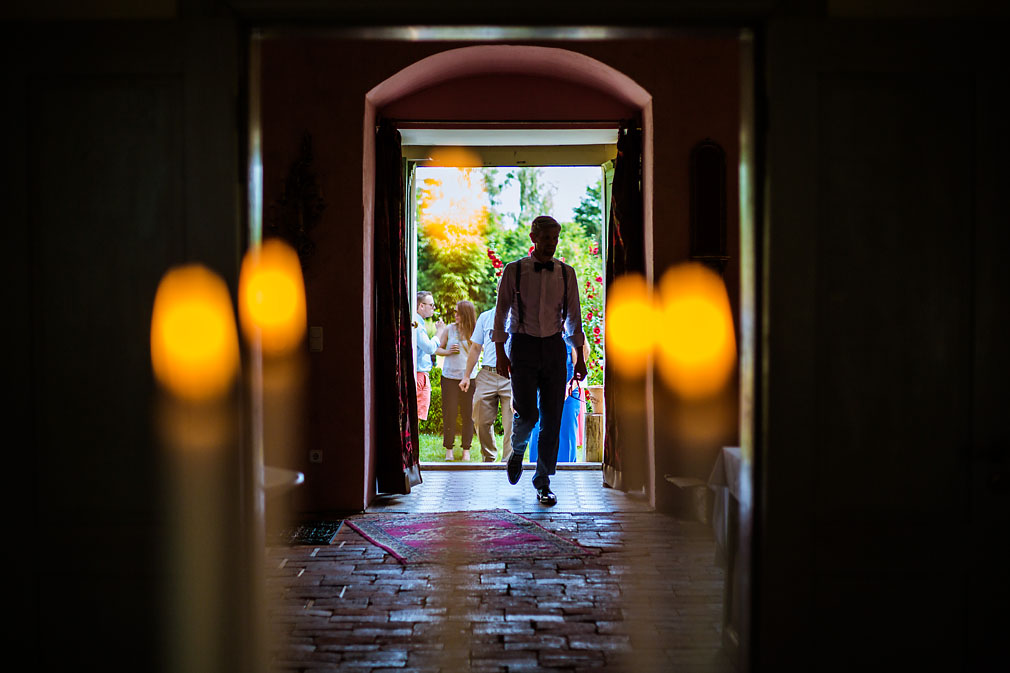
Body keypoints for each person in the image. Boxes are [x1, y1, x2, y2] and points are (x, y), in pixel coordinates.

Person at [493, 215, 587, 506]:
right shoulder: (514, 270)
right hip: (523, 346)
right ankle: (518, 450)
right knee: (528, 413)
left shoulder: (566, 273)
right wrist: (500, 352)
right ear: (533, 238)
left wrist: (580, 358)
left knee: (552, 416)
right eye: (546, 238)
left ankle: (543, 481)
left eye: (555, 238)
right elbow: (501, 313)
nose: (551, 244)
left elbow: (574, 318)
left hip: (555, 348)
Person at [460, 305, 513, 463]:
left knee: (511, 423)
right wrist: (466, 376)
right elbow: (476, 347)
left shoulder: (521, 317)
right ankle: (489, 458)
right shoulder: (485, 317)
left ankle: (508, 462)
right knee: (480, 419)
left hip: (511, 376)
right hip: (487, 374)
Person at [528, 341, 591, 463]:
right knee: (536, 434)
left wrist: (568, 388)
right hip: (539, 391)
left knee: (565, 437)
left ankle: (566, 469)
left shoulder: (571, 335)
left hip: (567, 392)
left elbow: (579, 369)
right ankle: (536, 469)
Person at [437, 300, 478, 461]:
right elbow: (437, 349)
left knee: (468, 414)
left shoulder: (474, 330)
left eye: (458, 312)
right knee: (450, 412)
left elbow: (479, 350)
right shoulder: (449, 329)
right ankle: (449, 449)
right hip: (449, 378)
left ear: (465, 314)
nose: (455, 315)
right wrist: (447, 351)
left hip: (469, 378)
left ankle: (466, 449)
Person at [413, 291, 445, 422]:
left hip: (420, 374)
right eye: (431, 305)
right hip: (419, 375)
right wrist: (439, 332)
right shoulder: (417, 325)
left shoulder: (418, 323)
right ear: (421, 306)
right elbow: (429, 348)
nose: (434, 308)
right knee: (417, 417)